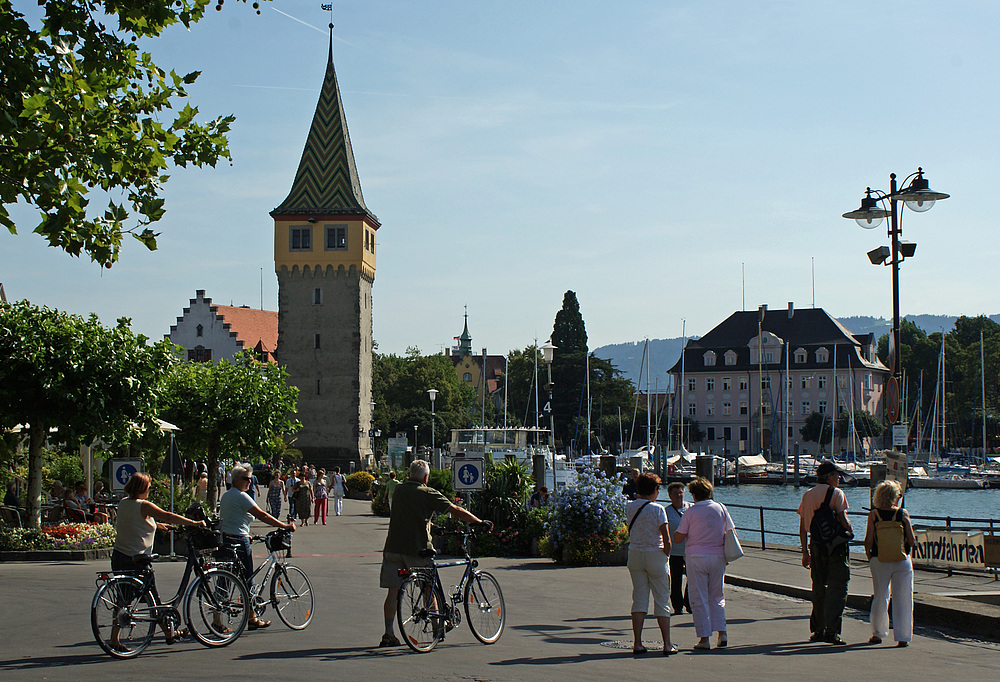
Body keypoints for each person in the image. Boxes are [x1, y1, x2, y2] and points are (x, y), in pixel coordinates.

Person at [379, 459, 490, 648]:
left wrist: (431, 526)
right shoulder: (427, 492)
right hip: (417, 549)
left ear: (409, 475)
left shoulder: (398, 491)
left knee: (393, 592)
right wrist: (478, 522)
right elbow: (455, 509)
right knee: (428, 588)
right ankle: (437, 628)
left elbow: (410, 516)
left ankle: (389, 633)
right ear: (426, 477)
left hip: (393, 548)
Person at [110, 472, 205, 652]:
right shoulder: (144, 505)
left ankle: (115, 638)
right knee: (154, 600)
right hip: (137, 558)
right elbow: (168, 515)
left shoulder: (123, 503)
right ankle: (169, 633)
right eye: (149, 487)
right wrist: (194, 523)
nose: (150, 490)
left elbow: (134, 522)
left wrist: (158, 526)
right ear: (142, 488)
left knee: (123, 599)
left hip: (119, 555)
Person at [219, 465, 296, 630]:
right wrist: (284, 525)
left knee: (225, 579)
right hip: (239, 541)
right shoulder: (241, 496)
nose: (250, 482)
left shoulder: (226, 495)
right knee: (247, 578)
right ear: (238, 480)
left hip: (226, 538)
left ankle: (227, 618)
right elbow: (262, 515)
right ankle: (251, 616)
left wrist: (247, 534)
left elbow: (232, 518)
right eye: (247, 479)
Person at [673, 476, 732, 650]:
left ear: (694, 494)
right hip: (718, 555)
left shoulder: (690, 511)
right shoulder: (721, 508)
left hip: (696, 556)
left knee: (698, 597)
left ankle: (704, 637)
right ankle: (722, 633)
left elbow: (679, 537)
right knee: (717, 595)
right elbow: (730, 530)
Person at [798, 460, 853, 645]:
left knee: (819, 588)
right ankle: (832, 631)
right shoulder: (836, 493)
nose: (839, 478)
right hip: (835, 547)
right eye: (837, 475)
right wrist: (850, 530)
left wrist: (805, 552)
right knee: (838, 588)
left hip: (816, 546)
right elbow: (844, 521)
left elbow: (803, 527)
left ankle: (817, 629)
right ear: (829, 476)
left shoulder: (807, 495)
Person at [625, 473, 676, 655]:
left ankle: (637, 643)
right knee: (662, 599)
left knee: (639, 598)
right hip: (655, 554)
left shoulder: (629, 507)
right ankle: (667, 644)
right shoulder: (658, 510)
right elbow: (667, 539)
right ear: (655, 490)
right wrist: (666, 555)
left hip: (635, 554)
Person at [864, 480, 916, 647]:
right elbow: (911, 540)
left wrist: (870, 556)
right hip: (902, 560)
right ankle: (903, 636)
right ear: (895, 497)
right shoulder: (902, 514)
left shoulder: (874, 515)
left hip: (880, 560)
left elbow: (868, 541)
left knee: (881, 596)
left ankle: (878, 633)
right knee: (904, 597)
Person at [665, 481, 692, 615]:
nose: (678, 496)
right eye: (675, 494)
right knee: (676, 580)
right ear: (670, 496)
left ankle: (689, 602)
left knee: (692, 578)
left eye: (680, 493)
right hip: (675, 551)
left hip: (691, 550)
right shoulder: (667, 512)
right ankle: (677, 605)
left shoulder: (691, 508)